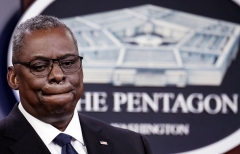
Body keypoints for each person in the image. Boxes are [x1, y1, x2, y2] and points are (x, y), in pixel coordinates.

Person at [0, 15, 153, 154]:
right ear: (14, 78)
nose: (58, 75)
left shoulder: (132, 146)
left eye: (68, 63)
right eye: (40, 66)